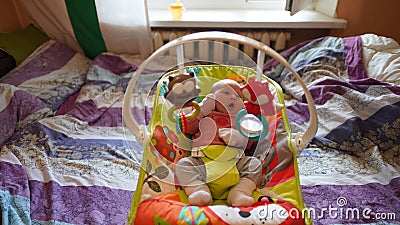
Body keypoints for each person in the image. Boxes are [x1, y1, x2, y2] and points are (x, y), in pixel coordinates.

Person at [175, 79, 262, 206]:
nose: (233, 97)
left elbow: (250, 144)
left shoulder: (242, 120)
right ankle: (199, 190)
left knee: (254, 164)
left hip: (235, 163)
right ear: (211, 98)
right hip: (203, 163)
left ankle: (239, 192)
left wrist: (238, 138)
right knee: (183, 165)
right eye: (226, 93)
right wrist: (202, 110)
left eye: (238, 96)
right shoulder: (204, 114)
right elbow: (188, 128)